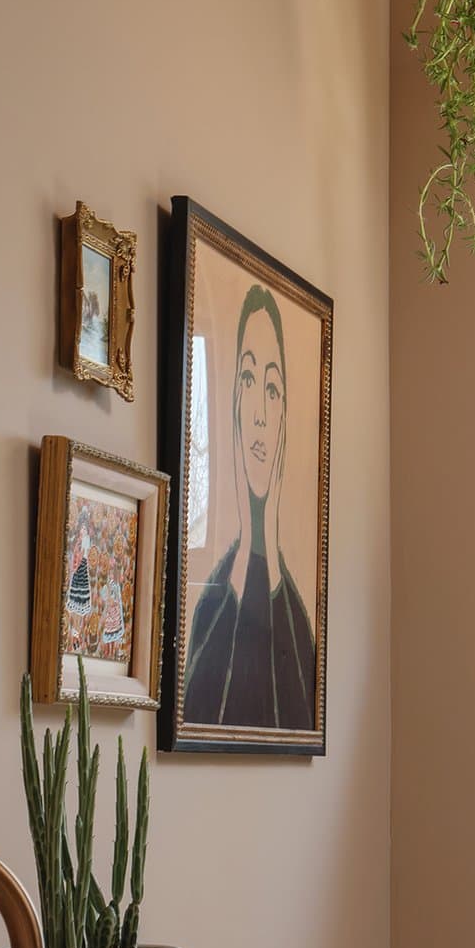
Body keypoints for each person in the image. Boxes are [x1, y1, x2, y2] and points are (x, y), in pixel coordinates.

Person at [181, 277, 316, 730]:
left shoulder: (300, 625)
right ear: (234, 403)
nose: (259, 413)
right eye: (248, 379)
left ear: (284, 416)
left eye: (272, 389)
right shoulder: (210, 605)